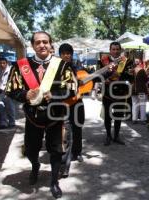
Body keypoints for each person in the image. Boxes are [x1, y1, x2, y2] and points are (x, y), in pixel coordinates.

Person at [6, 31, 77, 198]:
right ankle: (35, 166)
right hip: (33, 116)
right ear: (32, 45)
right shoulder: (20, 66)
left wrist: (54, 95)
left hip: (55, 115)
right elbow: (10, 89)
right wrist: (24, 95)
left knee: (57, 150)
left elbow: (72, 88)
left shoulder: (62, 65)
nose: (42, 45)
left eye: (45, 42)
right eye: (38, 42)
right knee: (31, 150)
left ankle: (54, 181)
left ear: (51, 44)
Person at [58, 43, 85, 179]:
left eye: (69, 53)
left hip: (77, 103)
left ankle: (78, 152)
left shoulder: (77, 66)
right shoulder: (56, 67)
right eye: (63, 53)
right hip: (63, 104)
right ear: (60, 54)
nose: (66, 55)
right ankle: (64, 159)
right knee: (66, 131)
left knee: (78, 127)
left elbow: (87, 78)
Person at [100, 42, 133, 146]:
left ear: (120, 50)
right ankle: (108, 136)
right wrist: (106, 78)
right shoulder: (103, 61)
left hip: (121, 92)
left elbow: (130, 77)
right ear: (110, 50)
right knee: (107, 116)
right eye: (113, 49)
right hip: (107, 93)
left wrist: (121, 76)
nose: (115, 51)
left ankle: (117, 136)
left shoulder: (127, 62)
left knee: (118, 115)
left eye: (117, 49)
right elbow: (99, 75)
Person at [0, 57, 16, 129]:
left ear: (6, 63)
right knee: (0, 106)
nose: (2, 65)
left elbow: (13, 81)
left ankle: (12, 122)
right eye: (0, 63)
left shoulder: (11, 70)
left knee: (10, 107)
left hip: (8, 92)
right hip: (0, 91)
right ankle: (4, 122)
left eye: (3, 63)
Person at [131, 58, 149, 124]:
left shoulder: (131, 71)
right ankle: (142, 119)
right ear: (140, 63)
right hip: (141, 90)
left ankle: (134, 119)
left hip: (134, 90)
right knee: (142, 104)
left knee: (135, 104)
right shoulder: (142, 70)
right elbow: (146, 80)